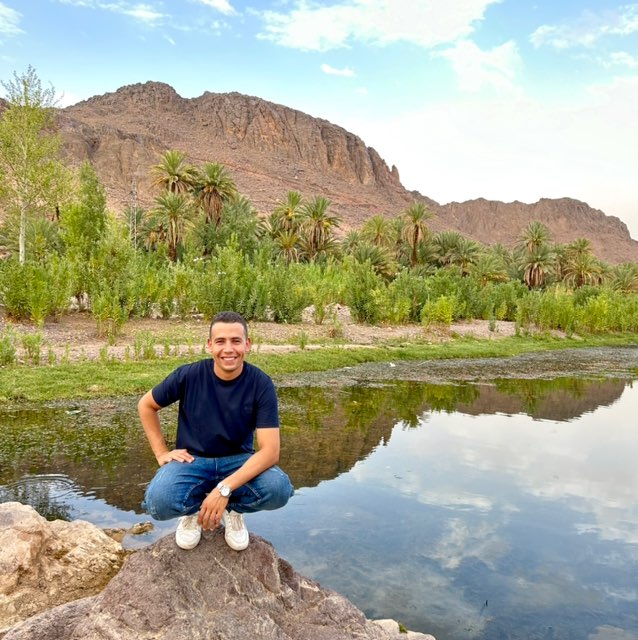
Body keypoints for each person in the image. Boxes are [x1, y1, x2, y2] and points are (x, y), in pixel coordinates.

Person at [138, 310, 294, 551]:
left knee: (279, 489)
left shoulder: (260, 383)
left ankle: (233, 509)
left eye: (236, 341)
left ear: (248, 344)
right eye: (220, 341)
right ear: (210, 345)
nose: (228, 349)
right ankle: (193, 512)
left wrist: (225, 489)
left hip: (238, 461)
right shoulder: (188, 375)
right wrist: (161, 453)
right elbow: (146, 405)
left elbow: (270, 451)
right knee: (158, 502)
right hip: (192, 461)